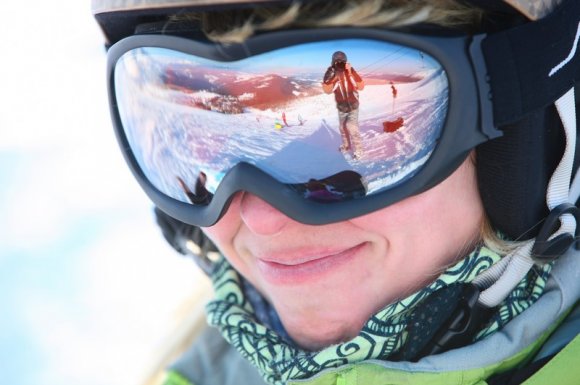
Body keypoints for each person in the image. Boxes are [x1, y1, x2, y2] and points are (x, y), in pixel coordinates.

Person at [92, 0, 580, 384]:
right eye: (205, 142)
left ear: (524, 140)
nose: (263, 220)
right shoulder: (189, 372)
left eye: (369, 159)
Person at [322, 51, 365, 159]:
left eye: (342, 61)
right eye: (337, 61)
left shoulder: (350, 70)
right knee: (342, 128)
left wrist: (351, 71)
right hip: (341, 107)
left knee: (351, 126)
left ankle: (359, 150)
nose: (340, 63)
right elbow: (327, 90)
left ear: (345, 61)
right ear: (333, 62)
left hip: (353, 105)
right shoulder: (330, 71)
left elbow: (361, 86)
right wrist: (333, 77)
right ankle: (346, 146)